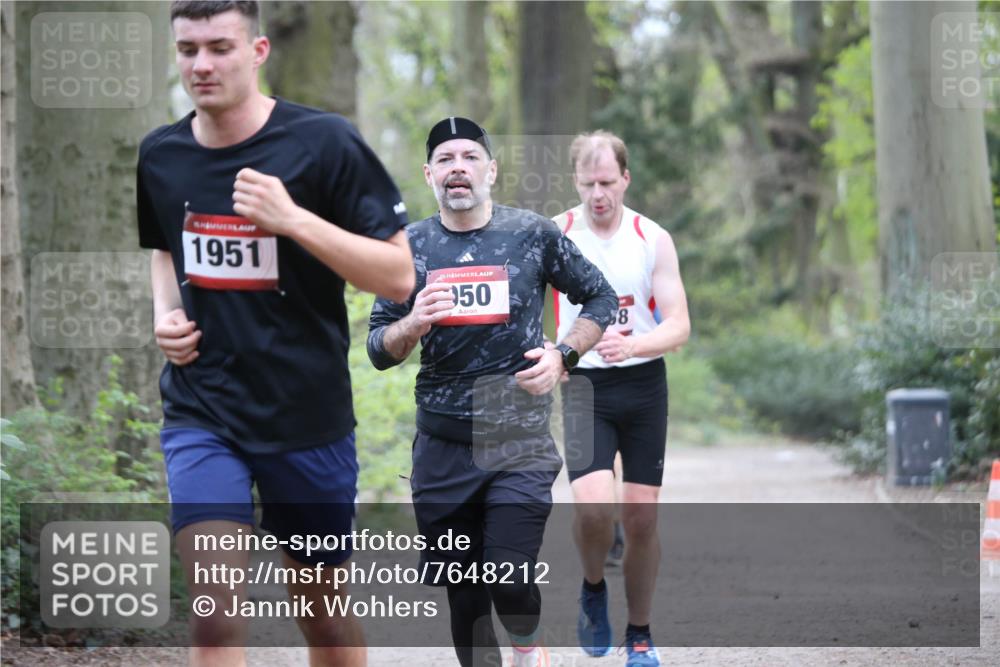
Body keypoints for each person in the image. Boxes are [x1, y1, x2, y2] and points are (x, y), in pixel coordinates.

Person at [137, 2, 414, 665]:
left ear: (257, 51)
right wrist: (165, 313)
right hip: (203, 410)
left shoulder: (324, 143)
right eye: (188, 49)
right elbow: (164, 248)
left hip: (306, 417)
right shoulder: (161, 155)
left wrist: (293, 220)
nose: (202, 64)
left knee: (321, 617)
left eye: (220, 47)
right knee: (214, 616)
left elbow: (400, 276)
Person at [367, 117, 618, 667]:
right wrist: (412, 324)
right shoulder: (407, 247)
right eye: (446, 159)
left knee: (507, 578)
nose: (459, 167)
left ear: (491, 170)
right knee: (467, 598)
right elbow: (377, 348)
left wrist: (562, 355)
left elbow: (601, 298)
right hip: (441, 445)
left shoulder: (531, 233)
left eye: (470, 157)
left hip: (517, 437)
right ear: (429, 174)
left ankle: (529, 645)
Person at [553, 131, 690, 667]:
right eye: (587, 183)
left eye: (607, 182)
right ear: (576, 183)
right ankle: (592, 589)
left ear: (626, 179)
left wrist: (634, 343)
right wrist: (551, 351)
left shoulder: (651, 238)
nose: (597, 194)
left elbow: (679, 325)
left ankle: (640, 633)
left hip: (642, 383)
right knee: (592, 509)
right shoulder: (557, 235)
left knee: (639, 517)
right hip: (584, 384)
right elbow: (526, 306)